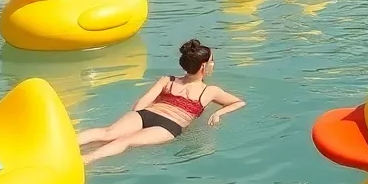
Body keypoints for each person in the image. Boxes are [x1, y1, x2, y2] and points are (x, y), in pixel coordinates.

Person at [77, 40, 245, 164]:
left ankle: (68, 144)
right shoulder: (210, 91)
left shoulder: (168, 80)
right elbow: (238, 103)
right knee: (124, 141)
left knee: (108, 133)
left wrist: (136, 118)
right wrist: (218, 113)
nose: (212, 64)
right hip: (169, 125)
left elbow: (140, 104)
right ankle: (85, 160)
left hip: (146, 114)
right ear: (203, 67)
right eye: (211, 61)